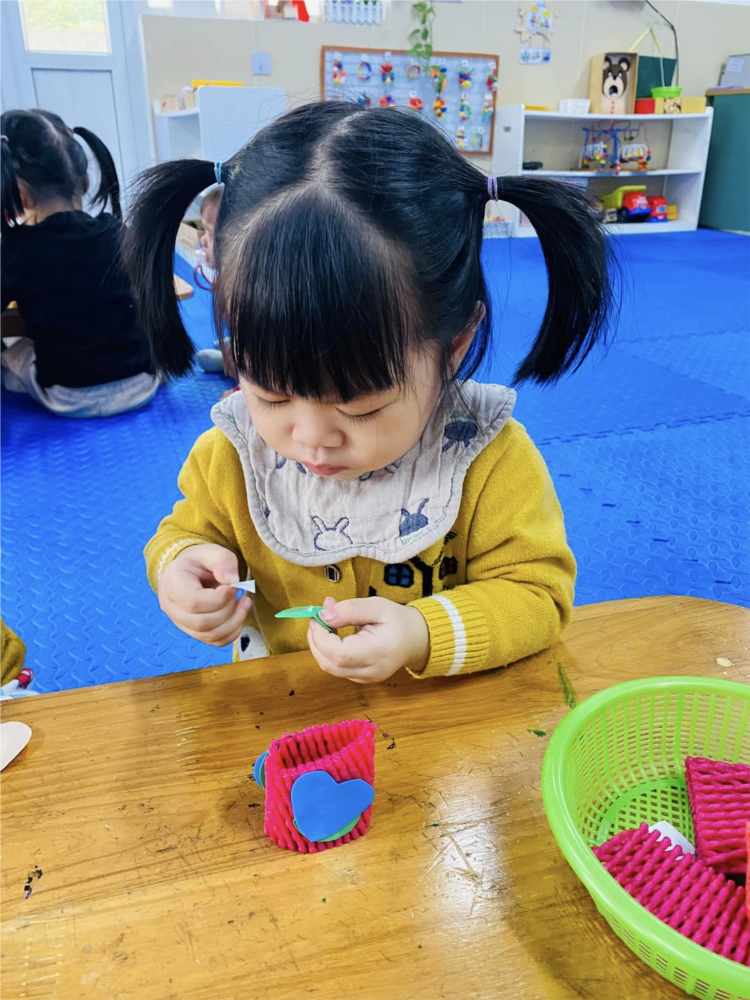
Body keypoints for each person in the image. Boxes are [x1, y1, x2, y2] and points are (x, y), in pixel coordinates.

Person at [123, 102, 613, 684]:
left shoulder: (486, 462)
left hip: (444, 725)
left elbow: (538, 595)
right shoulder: (233, 456)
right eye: (271, 394)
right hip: (283, 717)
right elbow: (184, 534)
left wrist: (423, 633)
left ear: (454, 346)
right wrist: (179, 568)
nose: (311, 439)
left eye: (360, 406)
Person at [0, 109, 158, 418]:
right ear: (85, 181)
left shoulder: (19, 249)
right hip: (143, 381)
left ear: (22, 196)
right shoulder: (116, 231)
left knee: (14, 351)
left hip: (68, 395)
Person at [194, 185, 237, 381]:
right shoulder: (225, 280)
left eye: (211, 234)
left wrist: (238, 391)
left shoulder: (244, 291)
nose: (203, 241)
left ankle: (233, 360)